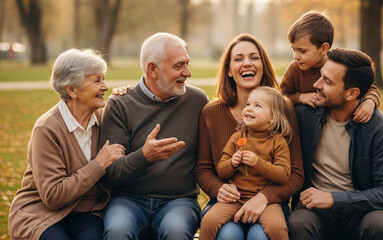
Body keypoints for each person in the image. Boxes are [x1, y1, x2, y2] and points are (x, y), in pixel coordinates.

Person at [98, 32, 209, 240]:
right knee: (117, 231)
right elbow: (110, 175)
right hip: (128, 201)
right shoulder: (121, 104)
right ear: (152, 69)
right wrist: (145, 156)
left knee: (176, 231)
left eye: (187, 63)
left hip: (178, 200)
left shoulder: (197, 100)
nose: (188, 72)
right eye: (179, 66)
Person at [288, 48, 383, 240]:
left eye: (327, 81)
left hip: (362, 212)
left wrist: (334, 199)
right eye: (321, 76)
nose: (316, 84)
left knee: (381, 225)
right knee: (299, 222)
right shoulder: (304, 116)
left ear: (352, 93)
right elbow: (269, 103)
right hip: (316, 212)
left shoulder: (379, 128)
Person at [8, 49, 126, 240]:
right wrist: (98, 164)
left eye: (104, 78)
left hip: (85, 211)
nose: (105, 86)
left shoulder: (103, 118)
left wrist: (126, 98)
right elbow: (53, 196)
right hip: (41, 211)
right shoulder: (47, 129)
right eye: (97, 81)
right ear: (71, 89)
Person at [196, 33, 304, 240]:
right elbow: (203, 169)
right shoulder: (211, 113)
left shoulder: (283, 111)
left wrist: (265, 197)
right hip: (227, 199)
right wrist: (219, 189)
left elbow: (296, 174)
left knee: (260, 236)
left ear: (263, 65)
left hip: (270, 202)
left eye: (254, 58)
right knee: (228, 235)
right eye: (238, 59)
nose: (247, 63)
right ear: (228, 70)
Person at [199, 86, 293, 240]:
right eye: (248, 104)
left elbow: (283, 175)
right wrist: (232, 163)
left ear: (273, 117)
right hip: (235, 197)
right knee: (209, 221)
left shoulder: (278, 141)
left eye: (258, 106)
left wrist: (258, 163)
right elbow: (221, 170)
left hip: (266, 202)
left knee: (277, 227)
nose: (249, 108)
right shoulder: (237, 138)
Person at [280, 10, 381, 123]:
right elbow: (281, 98)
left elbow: (368, 88)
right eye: (293, 49)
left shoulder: (337, 65)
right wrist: (300, 97)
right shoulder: (294, 69)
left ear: (323, 48)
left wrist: (370, 102)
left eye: (302, 51)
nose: (296, 56)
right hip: (308, 126)